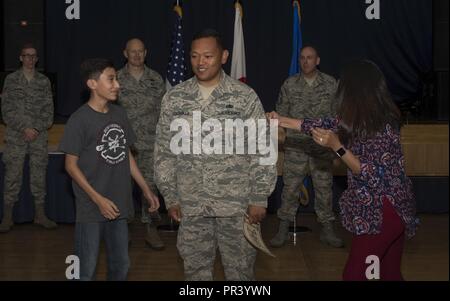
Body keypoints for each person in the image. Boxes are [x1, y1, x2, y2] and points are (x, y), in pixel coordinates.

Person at [269, 59, 418, 281]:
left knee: (355, 275)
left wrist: (337, 147)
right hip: (389, 211)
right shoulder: (362, 119)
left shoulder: (383, 126)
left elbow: (373, 174)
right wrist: (281, 120)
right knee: (389, 274)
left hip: (383, 213)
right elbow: (323, 123)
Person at [154, 29, 277, 281]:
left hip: (236, 205)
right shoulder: (175, 98)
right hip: (192, 205)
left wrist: (259, 197)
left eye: (208, 56)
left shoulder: (245, 97)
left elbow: (262, 148)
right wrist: (170, 196)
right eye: (195, 56)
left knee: (240, 273)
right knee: (195, 273)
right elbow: (164, 151)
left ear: (224, 56)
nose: (201, 62)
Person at [59, 58, 160, 281]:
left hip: (119, 204)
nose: (117, 85)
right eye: (111, 79)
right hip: (91, 207)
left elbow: (126, 154)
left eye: (116, 79)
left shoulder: (119, 114)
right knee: (84, 269)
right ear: (92, 84)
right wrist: (98, 200)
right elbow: (70, 166)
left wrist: (146, 189)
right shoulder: (79, 120)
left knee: (120, 266)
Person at [270, 45, 343, 248]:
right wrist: (282, 141)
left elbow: (338, 118)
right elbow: (280, 115)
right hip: (296, 146)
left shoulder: (330, 84)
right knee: (290, 189)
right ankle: (282, 229)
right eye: (302, 58)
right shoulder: (290, 84)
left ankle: (327, 230)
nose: (306, 61)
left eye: (310, 58)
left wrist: (337, 148)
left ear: (317, 60)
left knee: (324, 189)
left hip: (322, 147)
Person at [0, 44, 57, 233]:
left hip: (39, 137)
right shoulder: (11, 80)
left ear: (37, 59)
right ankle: (7, 217)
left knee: (39, 176)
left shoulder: (44, 81)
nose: (30, 59)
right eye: (27, 56)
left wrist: (35, 128)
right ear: (20, 58)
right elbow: (6, 111)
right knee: (12, 176)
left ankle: (40, 215)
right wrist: (24, 127)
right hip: (16, 137)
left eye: (33, 56)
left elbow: (49, 112)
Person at [117, 38, 166, 250]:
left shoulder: (156, 79)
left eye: (140, 52)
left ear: (145, 53)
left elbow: (164, 112)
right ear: (125, 53)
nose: (136, 55)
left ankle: (151, 229)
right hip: (121, 145)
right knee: (121, 189)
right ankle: (122, 229)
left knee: (151, 187)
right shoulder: (115, 79)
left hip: (149, 144)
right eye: (132, 52)